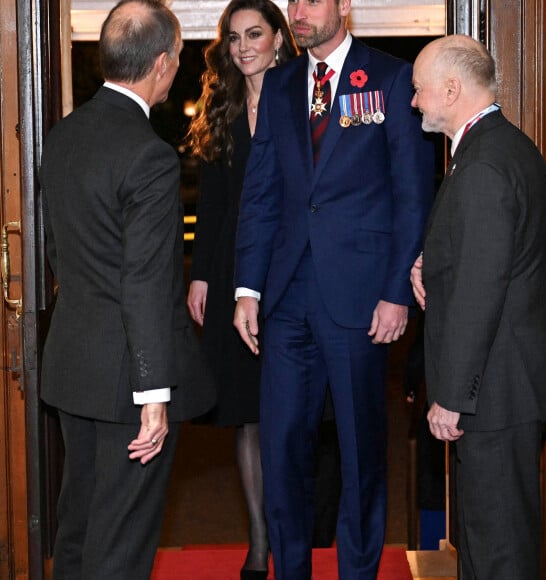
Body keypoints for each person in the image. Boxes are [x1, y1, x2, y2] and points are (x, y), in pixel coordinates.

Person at [232, 0, 434, 575]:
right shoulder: (279, 84)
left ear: (344, 6)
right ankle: (290, 568)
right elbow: (262, 192)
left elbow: (412, 194)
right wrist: (248, 288)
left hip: (361, 298)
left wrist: (398, 290)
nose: (299, 11)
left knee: (360, 452)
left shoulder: (392, 78)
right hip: (287, 296)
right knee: (282, 449)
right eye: (294, 1)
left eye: (312, 1)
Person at [39, 2, 215, 578]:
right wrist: (152, 396)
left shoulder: (63, 137)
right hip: (126, 385)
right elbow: (143, 279)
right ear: (162, 64)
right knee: (120, 544)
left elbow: (60, 255)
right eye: (180, 59)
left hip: (74, 365)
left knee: (78, 529)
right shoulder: (149, 156)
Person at [410, 34, 546, 580]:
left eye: (420, 90)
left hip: (494, 391)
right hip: (508, 383)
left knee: (497, 550)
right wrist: (431, 264)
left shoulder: (481, 167)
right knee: (496, 540)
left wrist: (450, 398)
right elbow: (490, 255)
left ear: (451, 89)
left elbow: (482, 291)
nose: (414, 103)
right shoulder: (505, 147)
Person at [186, 1, 296, 577]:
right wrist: (202, 275)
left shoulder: (303, 94)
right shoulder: (223, 103)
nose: (243, 46)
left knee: (289, 410)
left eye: (255, 34)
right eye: (233, 37)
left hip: (293, 272)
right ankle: (259, 543)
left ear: (279, 37)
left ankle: (289, 534)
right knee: (248, 413)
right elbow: (212, 200)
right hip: (233, 274)